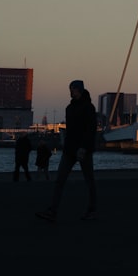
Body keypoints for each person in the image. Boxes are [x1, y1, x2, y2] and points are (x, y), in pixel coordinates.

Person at [36, 80, 98, 223]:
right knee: (60, 180)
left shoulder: (89, 107)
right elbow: (71, 130)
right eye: (70, 89)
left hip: (84, 150)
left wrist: (83, 147)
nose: (71, 91)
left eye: (73, 89)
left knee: (89, 180)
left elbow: (90, 129)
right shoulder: (69, 108)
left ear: (79, 90)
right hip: (70, 149)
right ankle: (53, 210)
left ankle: (92, 210)